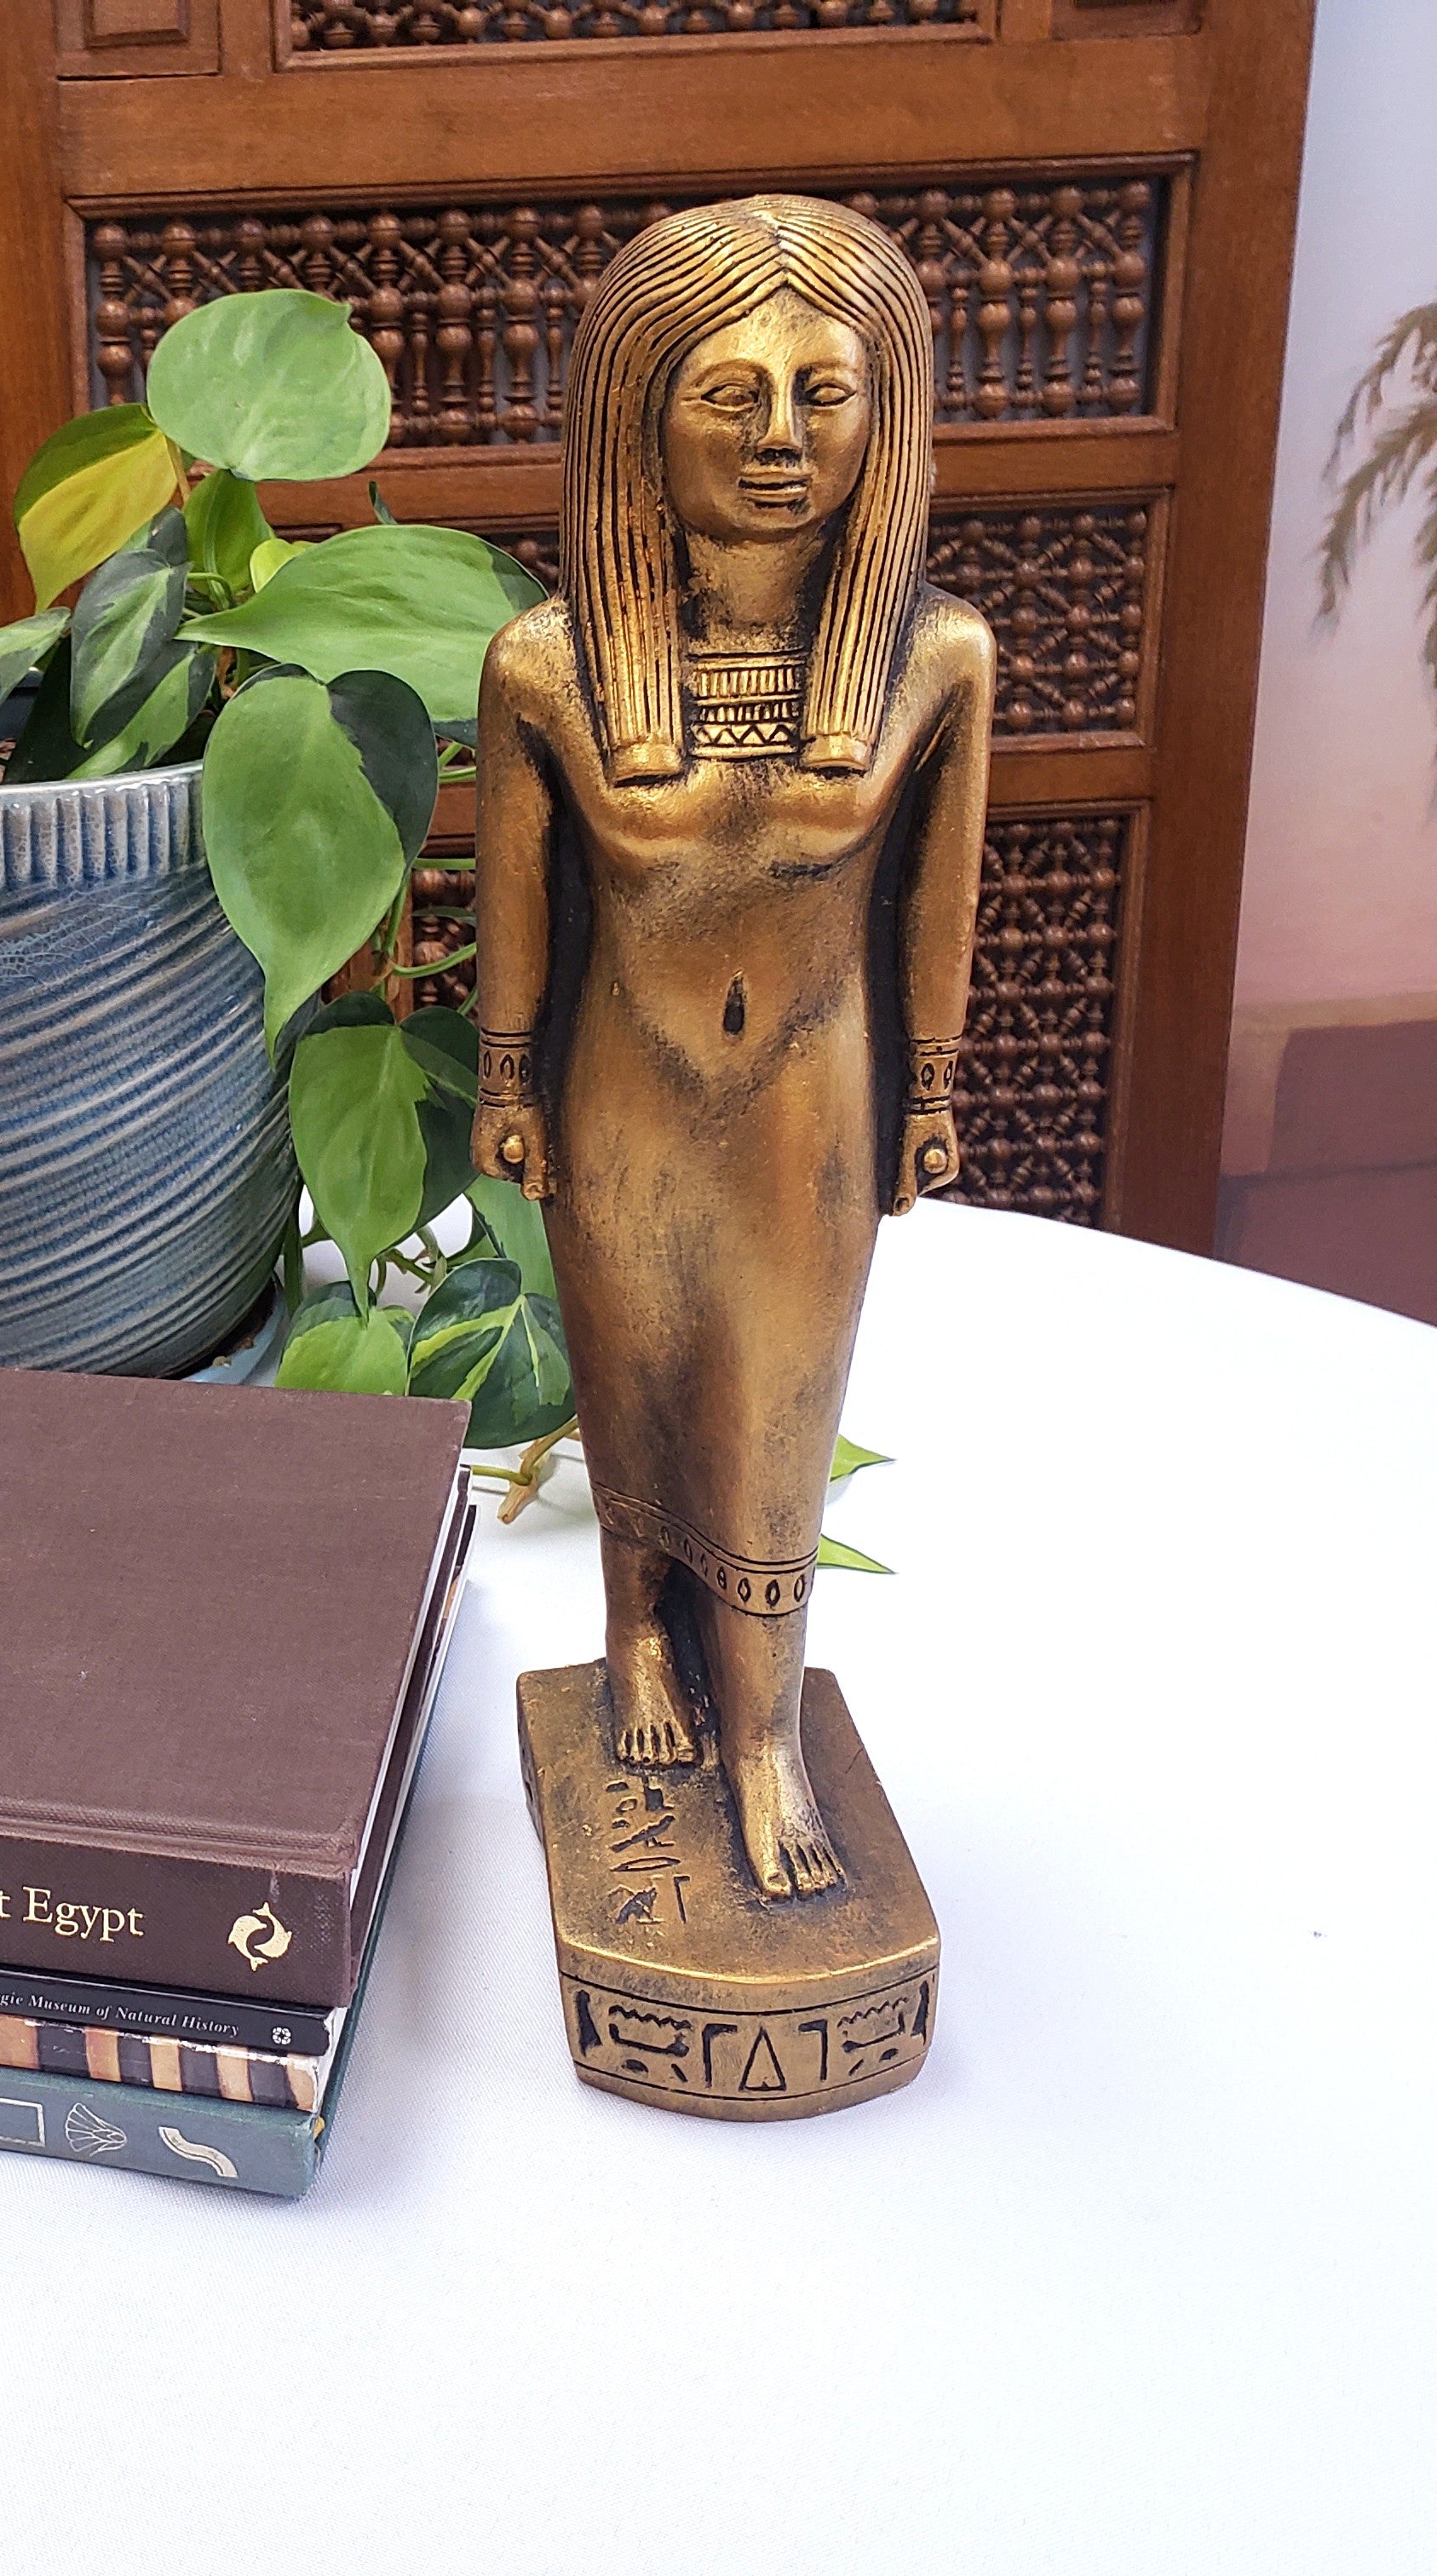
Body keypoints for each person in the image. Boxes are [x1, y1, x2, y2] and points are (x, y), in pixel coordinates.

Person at [471, 195, 994, 1899]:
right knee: (629, 1377)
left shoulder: (934, 660)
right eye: (730, 392)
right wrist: (500, 1080)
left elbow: (934, 897)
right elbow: (521, 903)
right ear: (641, 410)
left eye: (822, 392)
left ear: (882, 418)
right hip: (617, 1087)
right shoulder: (549, 665)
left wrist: (930, 1088)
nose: (780, 435)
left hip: (809, 1102)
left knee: (778, 1403)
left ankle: (763, 1736)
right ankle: (633, 1635)